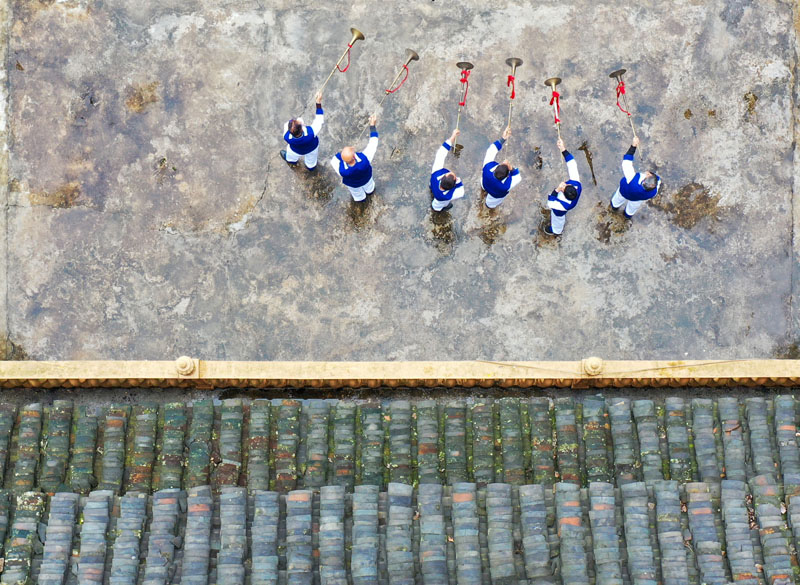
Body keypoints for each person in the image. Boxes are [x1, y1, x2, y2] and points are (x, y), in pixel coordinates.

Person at [329, 115, 379, 202]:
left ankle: (361, 199)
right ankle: (370, 191)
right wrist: (372, 126)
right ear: (354, 156)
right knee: (369, 187)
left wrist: (340, 155)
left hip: (353, 185)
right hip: (367, 179)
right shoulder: (364, 160)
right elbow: (373, 143)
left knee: (357, 194)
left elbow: (334, 161)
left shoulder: (342, 170)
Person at [611, 136, 661, 218]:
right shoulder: (653, 193)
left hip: (623, 192)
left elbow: (626, 163)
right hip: (637, 200)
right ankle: (627, 216)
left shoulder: (632, 179)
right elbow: (658, 181)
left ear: (644, 180)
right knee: (632, 208)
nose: (647, 173)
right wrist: (656, 178)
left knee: (617, 200)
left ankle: (614, 207)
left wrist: (633, 145)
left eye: (648, 175)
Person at [542, 137, 582, 236]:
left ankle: (556, 231)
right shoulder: (577, 185)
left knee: (558, 220)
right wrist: (563, 149)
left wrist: (557, 190)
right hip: (562, 204)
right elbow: (572, 165)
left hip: (558, 213)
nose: (564, 185)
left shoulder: (563, 205)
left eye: (563, 188)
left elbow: (550, 203)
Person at [281, 93, 324, 170]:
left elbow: (287, 125)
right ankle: (311, 167)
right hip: (312, 148)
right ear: (301, 128)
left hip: (296, 150)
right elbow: (319, 119)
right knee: (311, 160)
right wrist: (318, 102)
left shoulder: (286, 136)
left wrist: (297, 122)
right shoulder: (311, 132)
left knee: (291, 155)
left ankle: (291, 161)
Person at [481, 126, 521, 209]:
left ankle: (482, 191)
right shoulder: (506, 186)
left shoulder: (487, 168)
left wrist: (503, 138)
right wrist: (511, 168)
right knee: (490, 203)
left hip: (485, 183)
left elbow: (491, 150)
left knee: (483, 186)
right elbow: (518, 177)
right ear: (507, 176)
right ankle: (489, 207)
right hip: (495, 195)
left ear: (495, 169)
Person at [430, 129, 465, 212]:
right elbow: (461, 191)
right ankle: (437, 209)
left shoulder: (436, 173)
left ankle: (431, 189)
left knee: (433, 188)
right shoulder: (448, 196)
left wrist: (452, 137)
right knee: (440, 204)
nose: (450, 171)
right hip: (440, 200)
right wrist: (458, 181)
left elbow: (441, 154)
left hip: (433, 184)